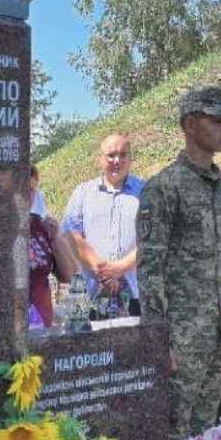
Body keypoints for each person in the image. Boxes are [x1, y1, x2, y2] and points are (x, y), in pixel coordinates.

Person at [137, 86, 221, 440]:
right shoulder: (165, 188)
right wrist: (158, 337)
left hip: (216, 332)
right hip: (179, 338)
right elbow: (150, 267)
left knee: (204, 435)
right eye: (217, 121)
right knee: (172, 434)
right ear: (191, 124)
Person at [62, 134, 144, 317]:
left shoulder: (146, 191)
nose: (117, 161)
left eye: (123, 155)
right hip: (91, 296)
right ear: (100, 158)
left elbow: (154, 238)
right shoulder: (82, 193)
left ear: (130, 158)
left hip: (137, 296)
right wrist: (103, 272)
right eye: (111, 155)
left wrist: (120, 268)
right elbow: (71, 235)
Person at [27, 164, 75, 329]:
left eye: (31, 190)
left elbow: (67, 275)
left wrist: (56, 238)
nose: (26, 196)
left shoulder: (39, 224)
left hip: (41, 325)